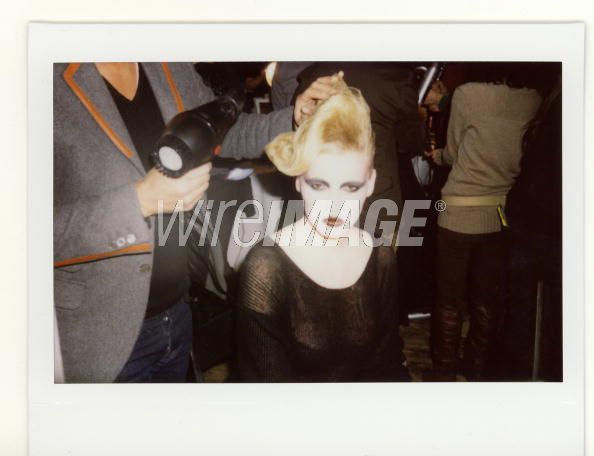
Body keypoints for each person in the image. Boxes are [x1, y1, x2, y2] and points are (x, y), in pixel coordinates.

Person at [53, 61, 338, 383]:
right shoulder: (41, 82)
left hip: (177, 314)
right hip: (100, 335)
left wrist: (296, 119)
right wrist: (139, 202)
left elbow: (228, 133)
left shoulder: (165, 63)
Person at [236, 76, 410, 382]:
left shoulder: (380, 255)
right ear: (298, 181)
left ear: (370, 183)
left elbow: (387, 363)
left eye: (351, 187)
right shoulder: (265, 268)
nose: (334, 206)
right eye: (319, 185)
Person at [425, 63, 542, 381]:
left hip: (459, 212)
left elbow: (452, 154)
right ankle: (476, 366)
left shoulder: (468, 93)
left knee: (449, 301)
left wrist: (438, 156)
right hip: (500, 212)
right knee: (486, 301)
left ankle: (444, 371)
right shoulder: (533, 98)